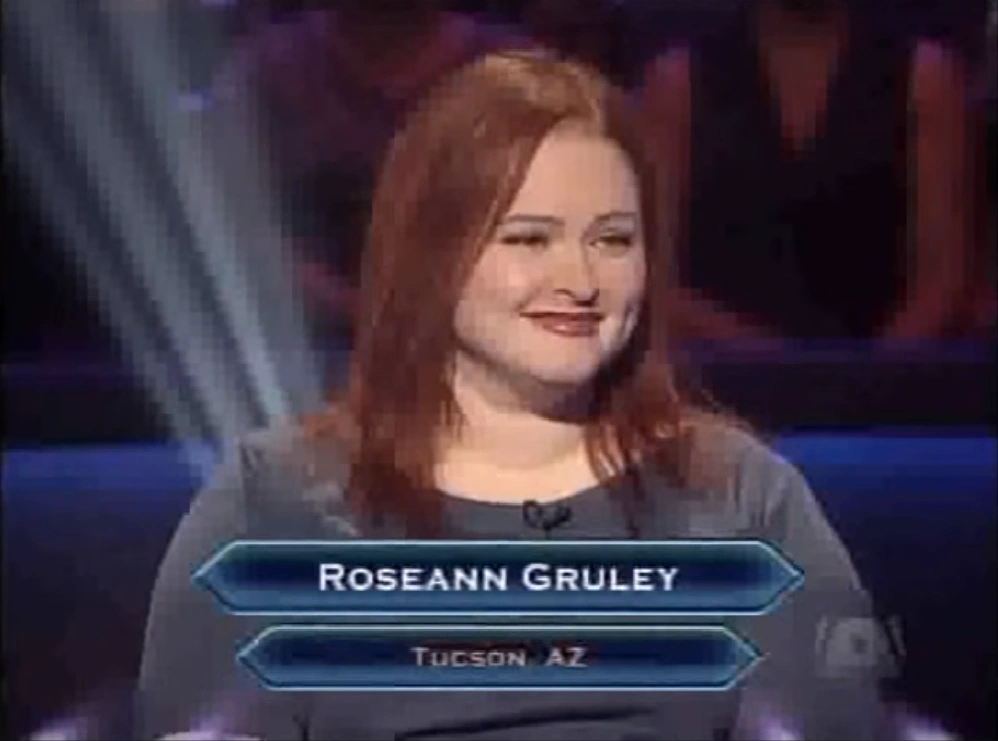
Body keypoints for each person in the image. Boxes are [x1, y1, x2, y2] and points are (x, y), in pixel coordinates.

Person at [140, 49, 890, 739]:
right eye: (530, 238)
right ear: (430, 253)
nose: (582, 280)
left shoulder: (740, 496)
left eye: (613, 239)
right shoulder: (275, 503)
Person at [201, 0, 529, 362]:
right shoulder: (267, 71)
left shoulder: (515, 76)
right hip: (306, 346)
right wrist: (351, 308)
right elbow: (227, 229)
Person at [639, 0, 973, 345]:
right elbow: (654, 281)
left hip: (897, 372)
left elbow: (942, 283)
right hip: (715, 370)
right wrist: (770, 364)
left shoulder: (926, 81)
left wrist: (869, 373)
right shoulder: (675, 86)